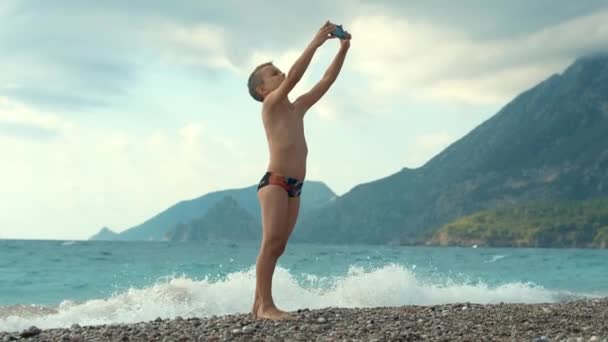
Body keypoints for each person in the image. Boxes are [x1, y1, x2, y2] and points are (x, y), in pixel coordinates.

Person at [246, 20, 351, 320]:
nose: (280, 74)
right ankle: (266, 306)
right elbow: (293, 76)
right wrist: (316, 41)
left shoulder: (297, 107)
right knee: (271, 243)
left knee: (278, 247)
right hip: (275, 184)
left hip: (294, 186)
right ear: (263, 89)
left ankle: (257, 305)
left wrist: (342, 49)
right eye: (273, 73)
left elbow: (326, 81)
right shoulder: (269, 105)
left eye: (278, 70)